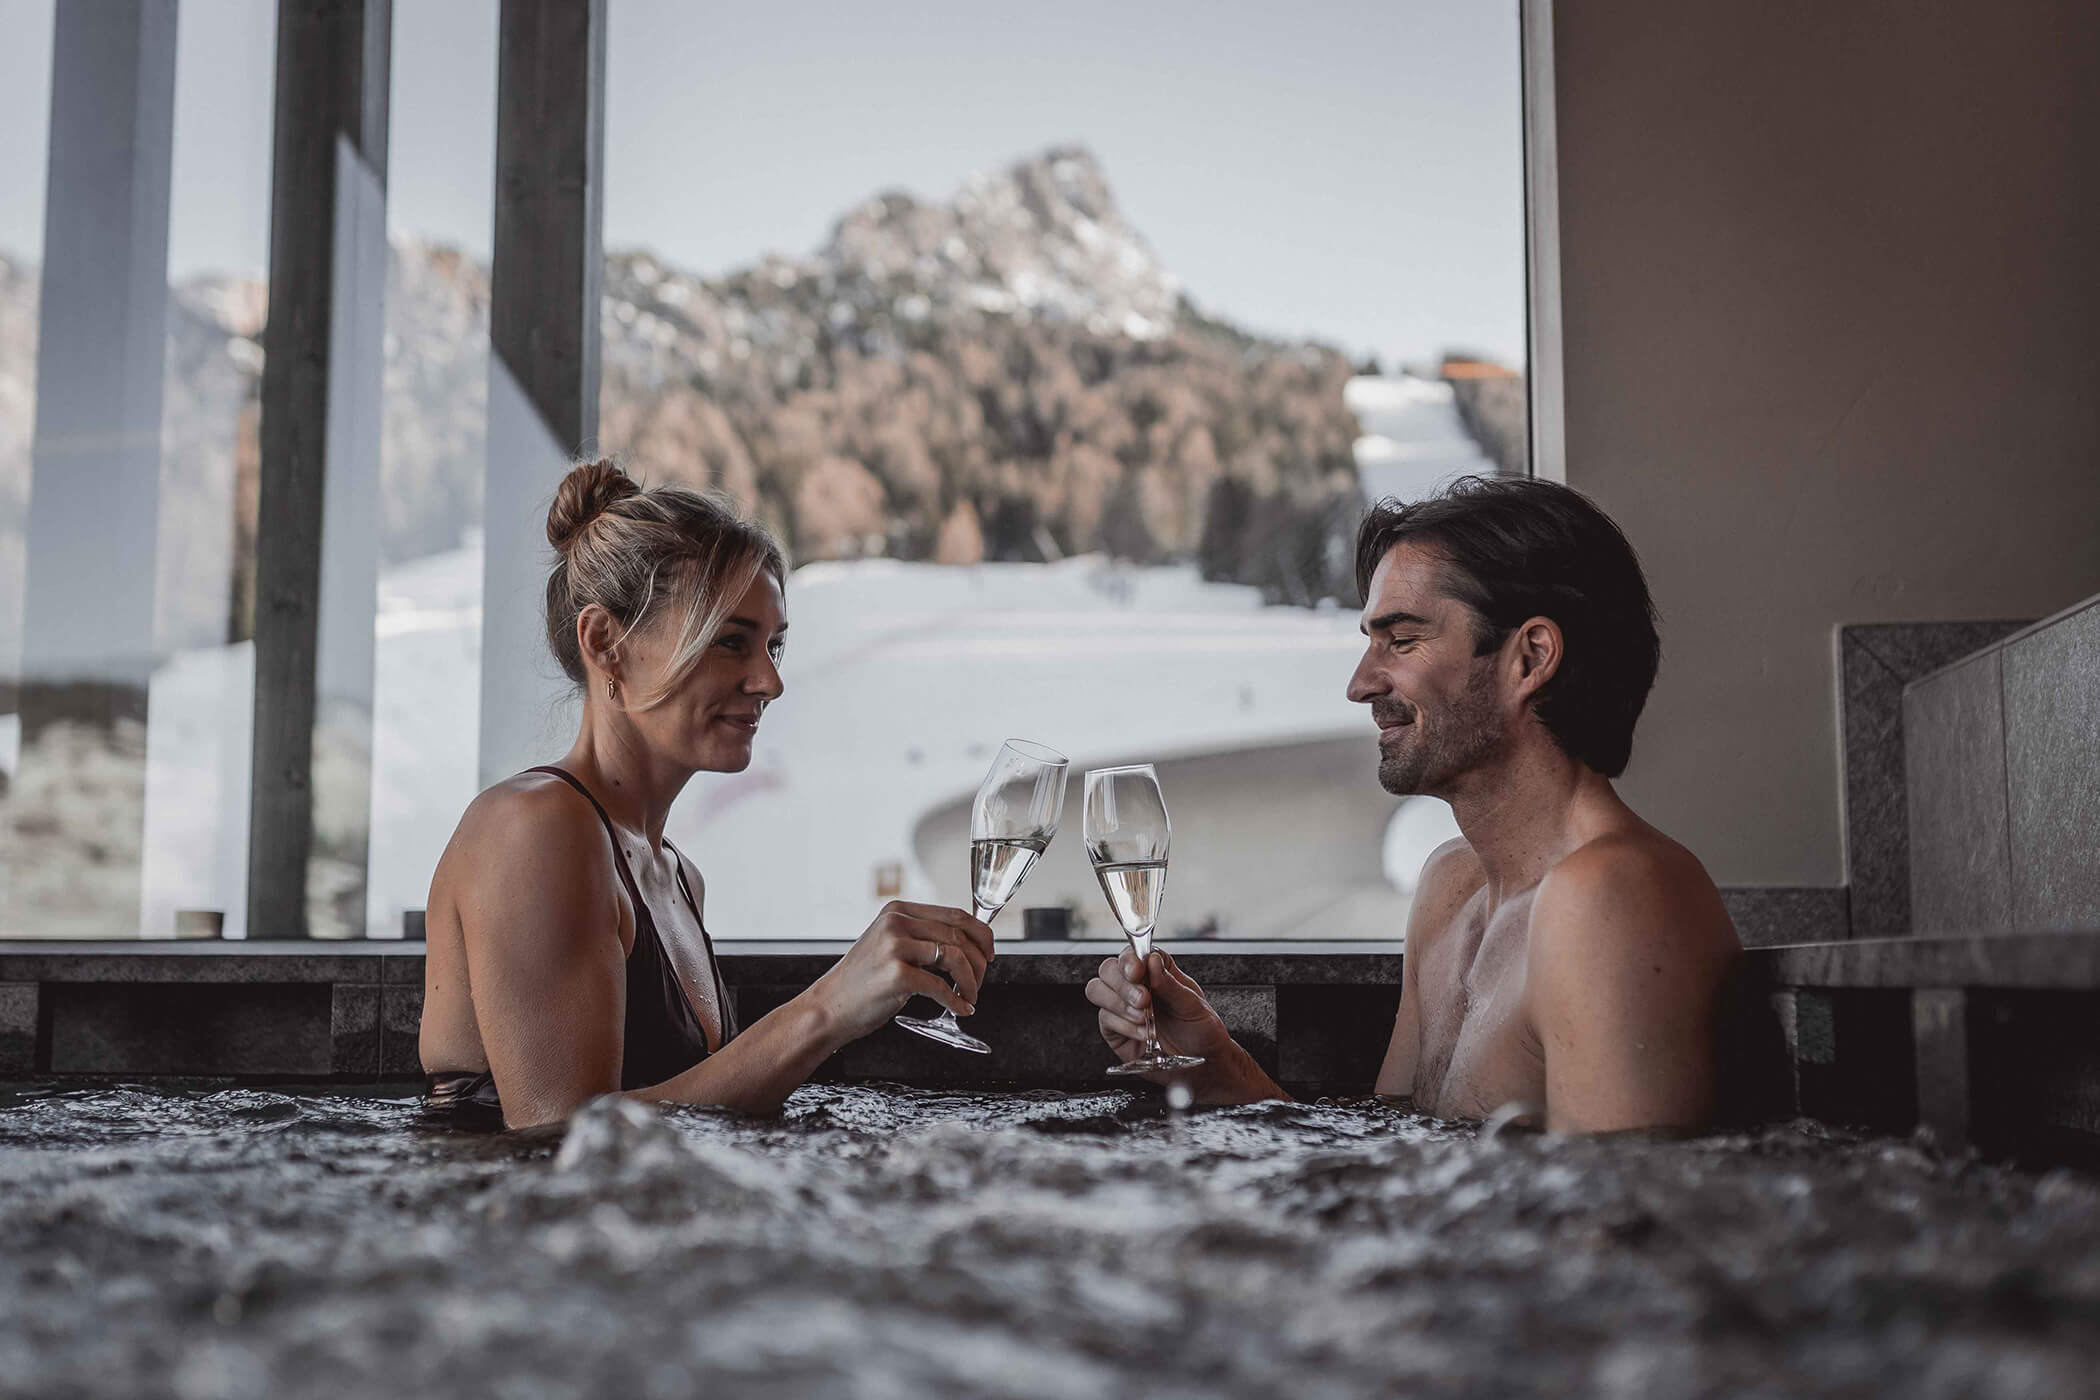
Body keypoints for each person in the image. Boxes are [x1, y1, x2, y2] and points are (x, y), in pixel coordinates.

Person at [1086, 476, 1741, 1134]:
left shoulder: (1611, 897)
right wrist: (1216, 1069)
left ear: (1530, 659)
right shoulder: (1451, 889)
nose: (1360, 684)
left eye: (1400, 641)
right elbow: (1393, 1160)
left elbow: (1619, 1199)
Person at [419, 460, 992, 1128]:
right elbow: (556, 1139)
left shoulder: (677, 876)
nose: (770, 682)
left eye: (774, 646)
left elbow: (685, 1121)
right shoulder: (534, 827)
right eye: (730, 642)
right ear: (606, 643)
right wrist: (828, 1009)